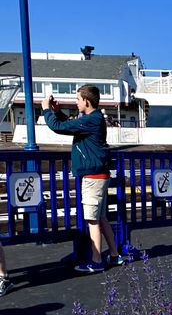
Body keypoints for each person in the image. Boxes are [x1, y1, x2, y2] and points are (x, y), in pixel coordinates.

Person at [41, 85, 124, 273]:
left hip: (93, 178)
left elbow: (58, 127)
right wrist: (57, 112)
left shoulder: (92, 120)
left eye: (77, 99)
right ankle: (114, 255)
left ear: (86, 101)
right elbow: (71, 126)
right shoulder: (92, 120)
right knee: (101, 218)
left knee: (92, 220)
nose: (75, 102)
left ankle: (96, 261)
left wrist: (46, 110)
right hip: (99, 175)